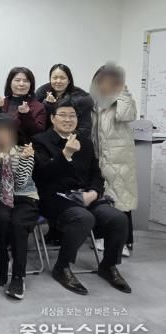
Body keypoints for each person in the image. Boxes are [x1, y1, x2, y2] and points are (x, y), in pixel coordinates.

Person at [32, 99, 131, 295]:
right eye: (63, 115)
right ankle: (62, 267)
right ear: (52, 118)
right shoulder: (40, 141)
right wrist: (65, 154)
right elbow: (41, 175)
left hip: (86, 196)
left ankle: (108, 265)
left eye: (72, 116)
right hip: (55, 198)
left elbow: (96, 174)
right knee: (83, 218)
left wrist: (93, 193)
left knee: (118, 218)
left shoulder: (84, 141)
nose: (68, 120)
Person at [0, 114, 39, 300]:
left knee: (18, 223)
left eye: (7, 131)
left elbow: (22, 182)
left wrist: (24, 159)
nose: (3, 135)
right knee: (1, 218)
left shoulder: (25, 151)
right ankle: (2, 259)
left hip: (24, 197)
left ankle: (18, 276)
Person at [90, 64, 137, 256]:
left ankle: (125, 241)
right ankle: (101, 236)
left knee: (121, 199)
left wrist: (122, 93)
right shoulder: (94, 102)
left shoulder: (123, 98)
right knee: (102, 198)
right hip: (99, 157)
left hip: (119, 159)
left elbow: (126, 115)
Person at [0, 67, 46, 145]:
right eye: (17, 80)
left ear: (31, 84)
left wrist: (26, 115)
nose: (21, 84)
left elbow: (38, 133)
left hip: (25, 149)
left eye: (25, 81)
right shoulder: (2, 103)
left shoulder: (38, 107)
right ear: (10, 83)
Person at [35, 64, 93, 138]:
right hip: (47, 138)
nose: (58, 81)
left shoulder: (81, 99)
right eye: (55, 78)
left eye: (62, 78)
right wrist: (46, 105)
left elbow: (84, 128)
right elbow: (39, 122)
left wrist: (68, 138)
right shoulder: (41, 94)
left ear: (69, 80)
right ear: (50, 79)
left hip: (71, 138)